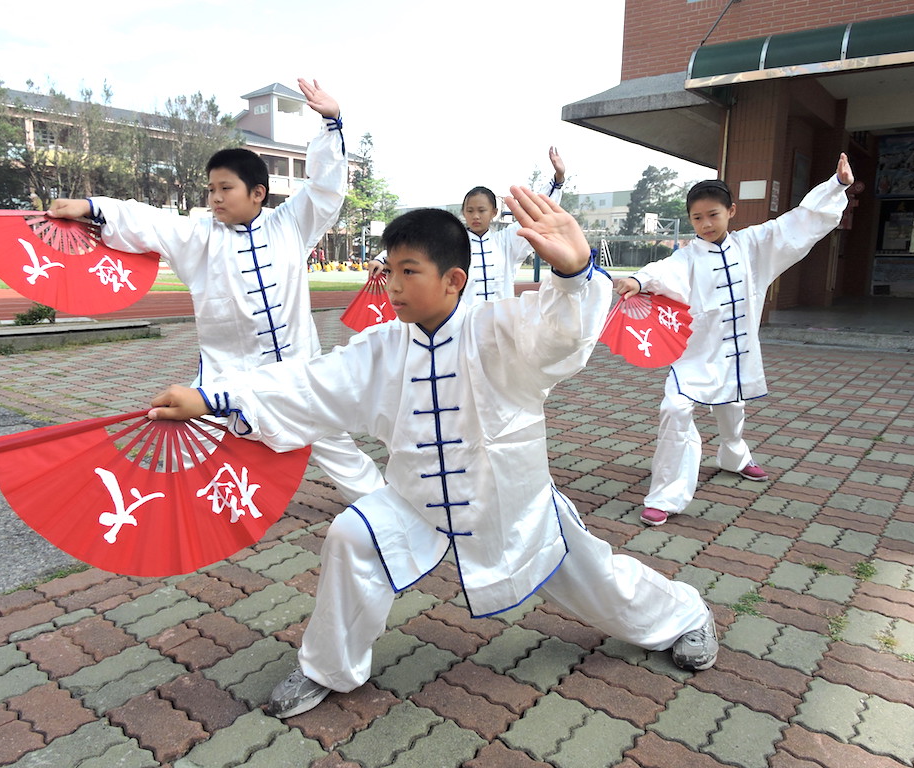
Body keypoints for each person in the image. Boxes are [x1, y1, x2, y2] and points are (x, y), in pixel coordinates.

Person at [147, 186, 718, 719]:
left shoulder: (499, 330)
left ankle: (685, 615)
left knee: (599, 581)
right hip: (417, 502)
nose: (392, 286)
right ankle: (328, 668)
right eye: (389, 270)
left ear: (452, 280)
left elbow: (560, 336)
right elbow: (311, 383)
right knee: (352, 537)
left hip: (512, 508)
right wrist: (210, 397)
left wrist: (573, 275)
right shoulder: (383, 347)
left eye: (409, 272)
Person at [47, 78, 383, 504]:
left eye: (226, 188)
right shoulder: (200, 236)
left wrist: (332, 123)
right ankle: (165, 509)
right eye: (211, 189)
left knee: (334, 444)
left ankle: (382, 511)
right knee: (193, 445)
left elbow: (325, 189)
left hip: (299, 373)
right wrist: (94, 207)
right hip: (229, 377)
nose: (216, 198)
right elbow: (149, 221)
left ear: (258, 193)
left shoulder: (291, 225)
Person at [614, 154, 855, 527]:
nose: (705, 224)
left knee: (732, 408)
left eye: (713, 214)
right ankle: (667, 495)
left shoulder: (754, 245)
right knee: (675, 410)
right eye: (697, 218)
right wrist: (638, 281)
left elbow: (797, 224)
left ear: (731, 211)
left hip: (738, 354)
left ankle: (735, 456)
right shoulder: (688, 256)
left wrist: (836, 186)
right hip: (695, 354)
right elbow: (663, 271)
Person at [367, 147, 566, 304]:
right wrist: (382, 258)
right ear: (463, 212)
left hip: (502, 324)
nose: (475, 216)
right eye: (470, 211)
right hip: (465, 324)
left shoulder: (507, 240)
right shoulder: (454, 242)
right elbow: (417, 245)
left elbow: (535, 213)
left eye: (482, 210)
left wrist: (557, 180)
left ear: (494, 213)